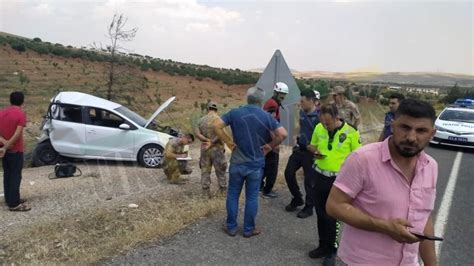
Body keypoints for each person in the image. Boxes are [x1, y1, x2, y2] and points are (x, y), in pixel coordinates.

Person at [326, 99, 438, 266]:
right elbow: (334, 206)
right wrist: (384, 226)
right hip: (360, 262)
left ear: (432, 134)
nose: (411, 137)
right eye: (405, 127)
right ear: (392, 125)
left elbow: (424, 217)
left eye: (421, 130)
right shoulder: (362, 159)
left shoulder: (431, 167)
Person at [214, 86, 287, 237]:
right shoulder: (267, 116)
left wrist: (228, 141)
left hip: (237, 163)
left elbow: (217, 126)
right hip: (255, 165)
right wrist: (269, 146)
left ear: (247, 98)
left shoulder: (235, 112)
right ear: (261, 101)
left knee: (233, 195)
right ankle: (248, 229)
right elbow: (283, 134)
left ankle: (231, 227)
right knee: (252, 197)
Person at [306, 103, 361, 264]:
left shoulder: (351, 132)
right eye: (322, 122)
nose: (325, 126)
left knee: (333, 217)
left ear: (337, 117)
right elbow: (312, 145)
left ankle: (332, 250)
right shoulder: (318, 128)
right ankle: (322, 245)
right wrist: (313, 151)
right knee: (320, 214)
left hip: (338, 181)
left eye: (328, 123)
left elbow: (359, 156)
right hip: (319, 176)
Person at [284, 89, 320, 219]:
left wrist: (317, 151)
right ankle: (297, 198)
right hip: (299, 149)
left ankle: (309, 207)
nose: (300, 103)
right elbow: (300, 126)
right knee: (288, 173)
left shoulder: (319, 117)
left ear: (311, 101)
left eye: (303, 101)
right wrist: (295, 136)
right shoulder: (302, 112)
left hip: (310, 152)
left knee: (309, 181)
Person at [0, 91, 31, 211]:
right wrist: (7, 146)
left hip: (3, 150)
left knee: (7, 174)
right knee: (15, 176)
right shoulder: (20, 114)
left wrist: (3, 145)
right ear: (22, 101)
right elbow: (17, 134)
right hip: (15, 150)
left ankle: (10, 198)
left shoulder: (2, 113)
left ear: (10, 100)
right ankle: (14, 204)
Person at [261, 81, 289, 198]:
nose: (283, 97)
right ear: (276, 93)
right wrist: (275, 143)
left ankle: (259, 186)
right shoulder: (273, 105)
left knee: (265, 164)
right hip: (270, 139)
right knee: (272, 166)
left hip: (265, 139)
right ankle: (267, 190)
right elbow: (270, 125)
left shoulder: (271, 102)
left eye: (284, 95)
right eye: (281, 95)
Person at [195, 101, 227, 197]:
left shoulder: (200, 120)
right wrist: (212, 141)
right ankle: (223, 192)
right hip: (217, 150)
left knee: (205, 171)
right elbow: (222, 135)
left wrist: (206, 140)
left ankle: (205, 193)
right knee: (220, 171)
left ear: (208, 109)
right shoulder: (219, 120)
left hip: (205, 149)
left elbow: (197, 134)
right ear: (216, 109)